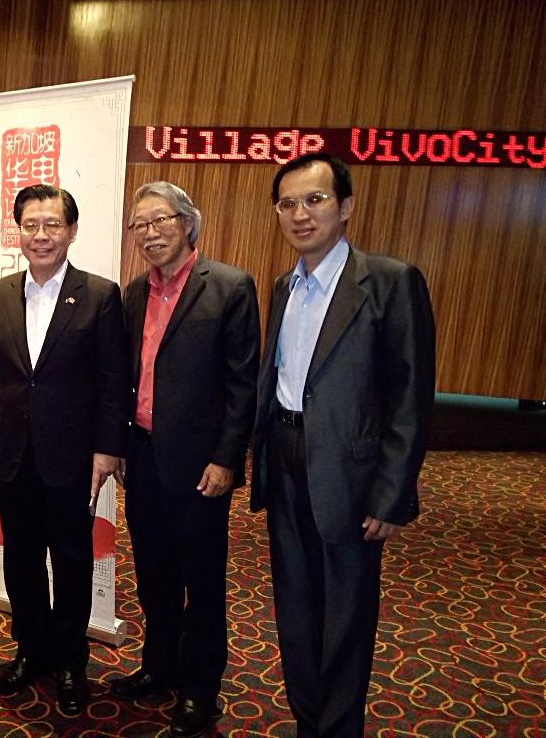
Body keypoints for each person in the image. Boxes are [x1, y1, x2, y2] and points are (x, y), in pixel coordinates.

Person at [252, 153, 436, 737]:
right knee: (296, 608)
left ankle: (337, 729)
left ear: (346, 206)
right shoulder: (284, 286)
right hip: (284, 458)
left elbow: (410, 396)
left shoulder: (389, 280)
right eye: (287, 203)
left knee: (347, 614)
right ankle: (310, 719)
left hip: (350, 476)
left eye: (315, 200)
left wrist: (391, 494)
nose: (300, 214)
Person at [0, 184, 128, 716]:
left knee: (73, 559)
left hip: (72, 456)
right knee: (22, 558)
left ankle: (72, 662)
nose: (41, 235)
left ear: (71, 231)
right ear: (19, 231)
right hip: (11, 452)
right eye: (31, 224)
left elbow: (112, 380)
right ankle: (31, 650)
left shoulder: (100, 294)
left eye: (52, 224)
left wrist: (107, 449)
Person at [111, 182, 260, 737]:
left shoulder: (228, 287)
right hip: (143, 458)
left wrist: (227, 460)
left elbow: (243, 385)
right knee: (153, 576)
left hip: (201, 468)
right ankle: (158, 666)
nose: (150, 233)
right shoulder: (131, 295)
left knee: (202, 581)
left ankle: (200, 688)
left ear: (188, 223)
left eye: (161, 220)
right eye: (140, 225)